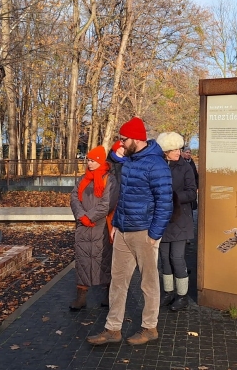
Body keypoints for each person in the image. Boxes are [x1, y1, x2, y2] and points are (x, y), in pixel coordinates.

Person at [87, 117, 173, 346]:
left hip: (144, 232)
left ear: (136, 139)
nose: (121, 143)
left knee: (149, 282)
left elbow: (165, 202)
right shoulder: (131, 160)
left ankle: (149, 327)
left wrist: (154, 234)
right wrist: (116, 223)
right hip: (123, 229)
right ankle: (112, 329)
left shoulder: (156, 165)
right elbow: (123, 194)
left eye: (124, 139)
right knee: (118, 281)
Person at [70, 145, 119, 310]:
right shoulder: (82, 179)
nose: (89, 163)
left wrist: (90, 217)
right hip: (83, 226)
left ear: (100, 161)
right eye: (88, 160)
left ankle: (107, 295)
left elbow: (108, 203)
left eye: (93, 160)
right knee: (82, 261)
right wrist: (82, 216)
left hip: (102, 226)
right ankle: (81, 297)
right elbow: (74, 198)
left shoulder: (109, 179)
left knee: (104, 260)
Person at [156, 132, 196, 311]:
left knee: (177, 257)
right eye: (174, 149)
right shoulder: (158, 166)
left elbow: (191, 191)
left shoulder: (185, 167)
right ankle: (168, 292)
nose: (178, 152)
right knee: (164, 258)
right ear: (165, 151)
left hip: (180, 218)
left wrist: (172, 197)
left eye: (179, 148)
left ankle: (182, 296)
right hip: (162, 219)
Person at [182, 147, 199, 212]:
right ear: (183, 153)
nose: (189, 154)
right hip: (184, 188)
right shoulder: (181, 163)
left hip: (191, 187)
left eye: (189, 153)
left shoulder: (192, 162)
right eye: (187, 152)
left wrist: (197, 186)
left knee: (191, 206)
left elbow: (195, 175)